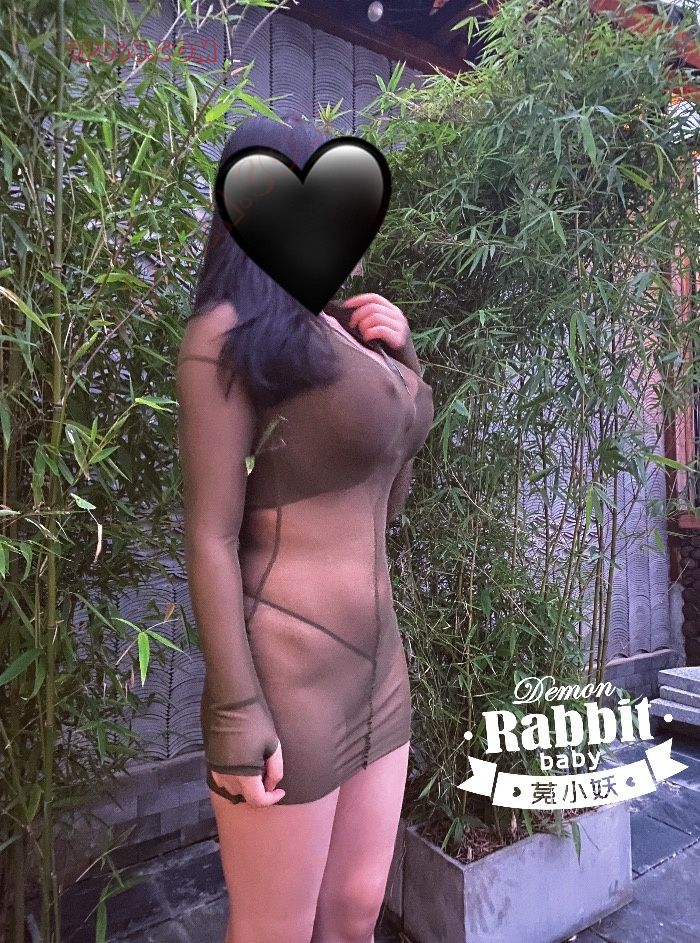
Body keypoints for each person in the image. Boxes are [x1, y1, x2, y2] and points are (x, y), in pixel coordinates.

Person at [176, 114, 434, 943]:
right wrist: (235, 705)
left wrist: (404, 358)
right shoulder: (225, 335)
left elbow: (391, 490)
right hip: (289, 677)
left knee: (355, 912)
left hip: (379, 667)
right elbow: (210, 534)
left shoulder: (345, 331)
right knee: (274, 931)